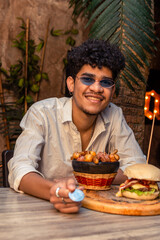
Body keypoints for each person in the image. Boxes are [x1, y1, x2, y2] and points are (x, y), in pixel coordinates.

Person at [8, 39, 146, 213]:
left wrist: (89, 178)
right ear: (71, 84)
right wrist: (56, 191)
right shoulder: (42, 113)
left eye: (105, 82)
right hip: (39, 211)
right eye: (88, 79)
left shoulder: (115, 115)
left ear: (112, 89)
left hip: (96, 212)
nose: (96, 88)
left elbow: (137, 168)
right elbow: (20, 170)